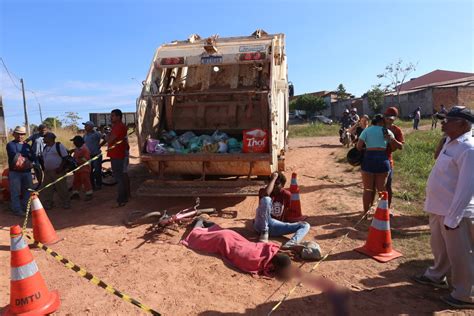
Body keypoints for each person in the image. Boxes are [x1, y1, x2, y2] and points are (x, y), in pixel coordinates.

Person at [413, 106, 474, 309]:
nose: (443, 123)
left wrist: (454, 217)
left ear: (464, 124)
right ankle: (437, 275)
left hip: (455, 213)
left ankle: (465, 294)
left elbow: (467, 187)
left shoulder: (468, 149)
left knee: (461, 255)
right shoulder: (450, 141)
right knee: (440, 249)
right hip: (439, 208)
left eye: (449, 120)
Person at [182, 217, 292, 278]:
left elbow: (264, 246)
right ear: (275, 265)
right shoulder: (256, 263)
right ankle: (199, 221)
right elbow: (243, 262)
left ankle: (206, 223)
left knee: (218, 231)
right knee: (196, 236)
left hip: (232, 236)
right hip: (223, 240)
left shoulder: (267, 252)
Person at [356, 114, 402, 213]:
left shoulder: (367, 130)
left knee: (368, 189)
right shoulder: (386, 131)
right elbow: (396, 147)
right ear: (381, 122)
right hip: (383, 159)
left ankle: (365, 212)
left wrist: (366, 148)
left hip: (369, 159)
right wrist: (389, 141)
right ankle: (382, 213)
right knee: (381, 190)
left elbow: (359, 147)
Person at [254, 172, 310, 248]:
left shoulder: (287, 194)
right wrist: (273, 178)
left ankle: (291, 244)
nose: (274, 186)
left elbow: (286, 211)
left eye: (277, 184)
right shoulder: (263, 191)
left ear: (283, 185)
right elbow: (266, 194)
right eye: (272, 183)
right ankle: (264, 231)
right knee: (266, 199)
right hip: (261, 224)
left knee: (305, 225)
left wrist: (286, 225)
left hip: (275, 226)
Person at [6, 126, 33, 216]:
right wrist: (27, 157)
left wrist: (32, 161)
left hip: (27, 172)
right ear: (14, 134)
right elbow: (16, 155)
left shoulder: (27, 145)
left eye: (22, 134)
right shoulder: (10, 145)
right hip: (15, 172)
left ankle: (26, 208)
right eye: (18, 134)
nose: (20, 136)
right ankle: (17, 209)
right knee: (15, 192)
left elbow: (32, 157)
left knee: (27, 191)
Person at [41, 132, 70, 210]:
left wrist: (60, 168)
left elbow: (65, 157)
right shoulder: (45, 147)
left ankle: (66, 202)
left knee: (61, 187)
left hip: (58, 171)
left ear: (51, 138)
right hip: (47, 172)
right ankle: (48, 203)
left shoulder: (58, 146)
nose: (43, 139)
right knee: (47, 188)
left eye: (45, 137)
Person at [106, 109, 129, 207]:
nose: (111, 118)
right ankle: (125, 197)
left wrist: (105, 136)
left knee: (119, 178)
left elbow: (110, 140)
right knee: (121, 177)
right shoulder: (117, 126)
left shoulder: (119, 127)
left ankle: (121, 199)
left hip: (117, 154)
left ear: (118, 117)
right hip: (117, 153)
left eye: (113, 116)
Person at [384, 107, 404, 212]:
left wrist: (392, 139)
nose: (388, 120)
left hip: (387, 160)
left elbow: (401, 146)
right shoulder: (378, 127)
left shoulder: (396, 130)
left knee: (388, 186)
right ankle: (373, 207)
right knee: (374, 187)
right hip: (374, 159)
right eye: (387, 118)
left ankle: (387, 208)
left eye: (391, 118)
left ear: (395, 118)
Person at [70, 136, 93, 201]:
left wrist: (77, 160)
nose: (74, 143)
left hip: (84, 168)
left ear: (78, 142)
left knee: (85, 181)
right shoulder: (77, 148)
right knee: (76, 181)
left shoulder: (84, 149)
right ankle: (75, 194)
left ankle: (89, 194)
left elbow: (85, 159)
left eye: (74, 141)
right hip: (78, 168)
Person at [83, 121, 103, 190]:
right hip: (88, 156)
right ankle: (92, 186)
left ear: (91, 127)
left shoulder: (97, 134)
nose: (85, 127)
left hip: (96, 155)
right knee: (90, 171)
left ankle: (99, 185)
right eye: (85, 126)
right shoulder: (85, 135)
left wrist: (100, 145)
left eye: (86, 126)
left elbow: (105, 138)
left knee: (97, 171)